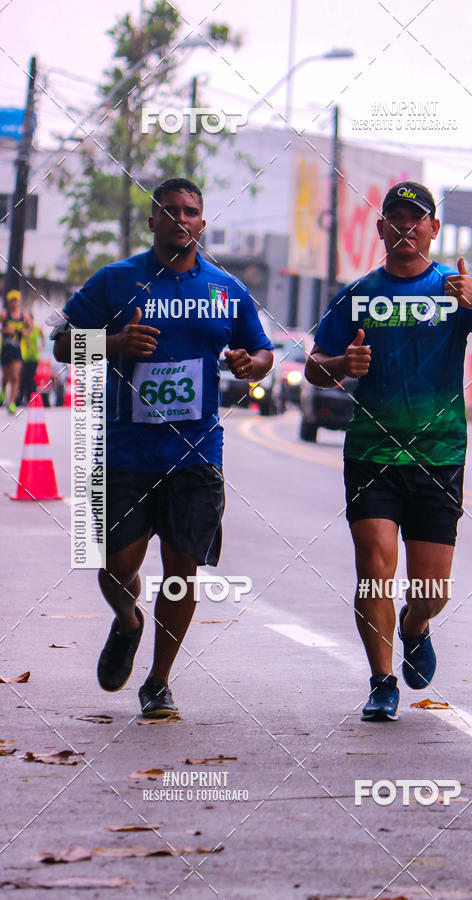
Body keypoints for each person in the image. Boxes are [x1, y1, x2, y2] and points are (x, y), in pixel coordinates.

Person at [305, 181, 472, 721]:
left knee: (432, 591)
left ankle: (415, 624)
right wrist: (341, 368)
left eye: (417, 219)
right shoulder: (357, 294)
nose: (406, 228)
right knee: (374, 566)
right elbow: (315, 364)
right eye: (396, 219)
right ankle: (382, 681)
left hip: (438, 455)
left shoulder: (455, 290)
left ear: (433, 229)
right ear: (381, 228)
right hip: (372, 454)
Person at [52, 177, 273, 718]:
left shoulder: (225, 289)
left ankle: (158, 681)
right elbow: (61, 344)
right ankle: (129, 620)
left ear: (202, 221)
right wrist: (114, 342)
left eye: (190, 211)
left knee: (183, 567)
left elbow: (263, 351)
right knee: (115, 563)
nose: (180, 218)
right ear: (152, 220)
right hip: (128, 448)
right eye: (169, 210)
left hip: (197, 451)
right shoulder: (117, 281)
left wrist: (251, 366)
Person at [1, 290, 32, 414]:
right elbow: (1, 328)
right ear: (9, 302)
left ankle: (12, 402)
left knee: (15, 376)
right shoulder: (4, 314)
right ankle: (3, 391)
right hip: (5, 349)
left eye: (16, 300)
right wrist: (4, 330)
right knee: (6, 377)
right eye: (12, 300)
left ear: (19, 302)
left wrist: (26, 333)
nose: (14, 303)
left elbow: (30, 326)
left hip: (17, 349)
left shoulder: (23, 315)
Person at [19, 318, 44, 406]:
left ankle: (32, 398)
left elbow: (43, 341)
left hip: (34, 358)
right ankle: (25, 399)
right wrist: (29, 328)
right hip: (25, 357)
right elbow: (24, 335)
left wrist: (40, 347)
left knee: (30, 378)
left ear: (32, 319)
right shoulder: (24, 329)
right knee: (24, 378)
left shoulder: (38, 329)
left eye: (29, 320)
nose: (27, 322)